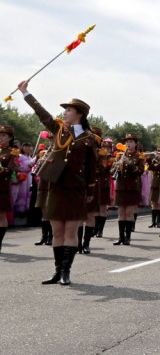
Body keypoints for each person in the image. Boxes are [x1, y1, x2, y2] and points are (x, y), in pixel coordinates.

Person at [19, 80, 97, 285]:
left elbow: (91, 166)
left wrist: (90, 189)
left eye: (69, 110)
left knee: (71, 231)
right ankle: (56, 271)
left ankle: (66, 272)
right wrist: (26, 93)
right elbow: (42, 114)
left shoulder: (89, 138)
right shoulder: (59, 129)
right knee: (57, 231)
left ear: (79, 113)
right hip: (56, 185)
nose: (65, 113)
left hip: (76, 187)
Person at [112, 133, 145, 246]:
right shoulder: (119, 155)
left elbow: (139, 171)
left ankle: (128, 237)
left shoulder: (140, 156)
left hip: (132, 188)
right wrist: (116, 166)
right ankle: (121, 237)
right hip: (121, 187)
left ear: (136, 144)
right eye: (127, 142)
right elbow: (111, 172)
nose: (128, 144)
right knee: (121, 213)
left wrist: (129, 162)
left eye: (131, 142)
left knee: (129, 213)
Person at [0, 125, 19, 252]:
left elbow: (13, 168)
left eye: (3, 135)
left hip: (2, 186)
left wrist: (2, 169)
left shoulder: (13, 151)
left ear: (10, 138)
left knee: (1, 215)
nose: (0, 138)